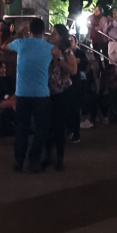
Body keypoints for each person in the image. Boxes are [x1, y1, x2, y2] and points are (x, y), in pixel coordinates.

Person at [7, 18, 55, 172]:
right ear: (43, 31)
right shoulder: (49, 47)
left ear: (30, 30)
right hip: (41, 94)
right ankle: (34, 160)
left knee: (21, 128)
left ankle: (18, 161)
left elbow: (3, 46)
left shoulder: (20, 43)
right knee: (41, 129)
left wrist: (17, 34)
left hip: (22, 93)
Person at [43, 26, 78, 170]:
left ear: (61, 36)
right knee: (48, 125)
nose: (51, 35)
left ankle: (59, 158)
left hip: (62, 92)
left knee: (59, 125)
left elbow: (73, 70)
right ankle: (48, 156)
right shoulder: (48, 48)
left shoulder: (66, 51)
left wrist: (58, 59)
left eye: (54, 33)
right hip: (48, 91)